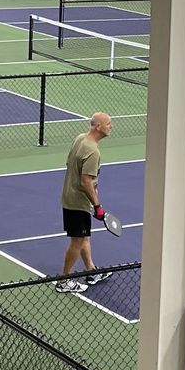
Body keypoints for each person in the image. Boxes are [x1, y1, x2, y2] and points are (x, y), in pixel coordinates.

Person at [56, 112, 115, 295]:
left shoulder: (80, 138)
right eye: (108, 124)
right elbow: (85, 182)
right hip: (77, 202)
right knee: (77, 240)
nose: (110, 127)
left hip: (69, 195)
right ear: (98, 126)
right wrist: (97, 206)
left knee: (84, 236)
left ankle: (91, 271)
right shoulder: (93, 151)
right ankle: (64, 280)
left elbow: (69, 163)